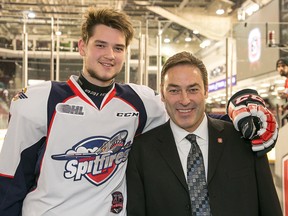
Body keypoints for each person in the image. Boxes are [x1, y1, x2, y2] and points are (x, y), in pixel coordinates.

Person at [0, 7, 278, 216]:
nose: (110, 54)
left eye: (118, 48)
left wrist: (241, 109)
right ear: (82, 46)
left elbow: (189, 113)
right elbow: (10, 181)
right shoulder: (40, 101)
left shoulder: (139, 101)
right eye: (100, 45)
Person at [126, 51, 282, 216]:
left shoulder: (244, 140)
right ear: (162, 94)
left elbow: (269, 206)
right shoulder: (141, 151)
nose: (184, 100)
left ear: (206, 90)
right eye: (174, 91)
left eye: (193, 89)